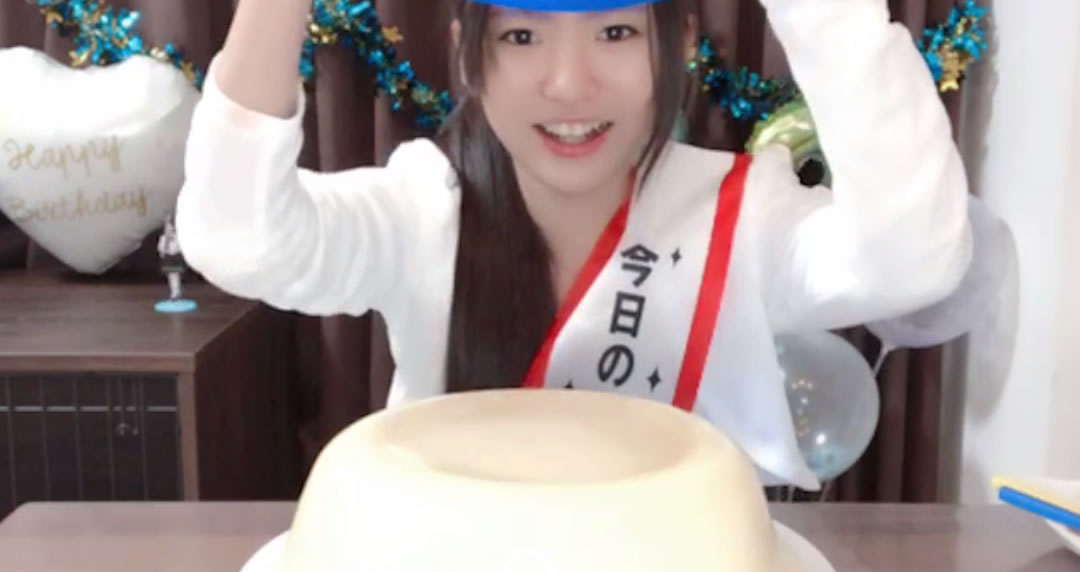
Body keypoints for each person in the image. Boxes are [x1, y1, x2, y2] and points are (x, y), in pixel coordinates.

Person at [175, 0, 973, 489]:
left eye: (616, 32)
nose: (568, 84)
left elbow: (915, 256)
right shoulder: (423, 209)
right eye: (522, 36)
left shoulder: (744, 215)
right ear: (468, 56)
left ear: (680, 43)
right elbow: (240, 240)